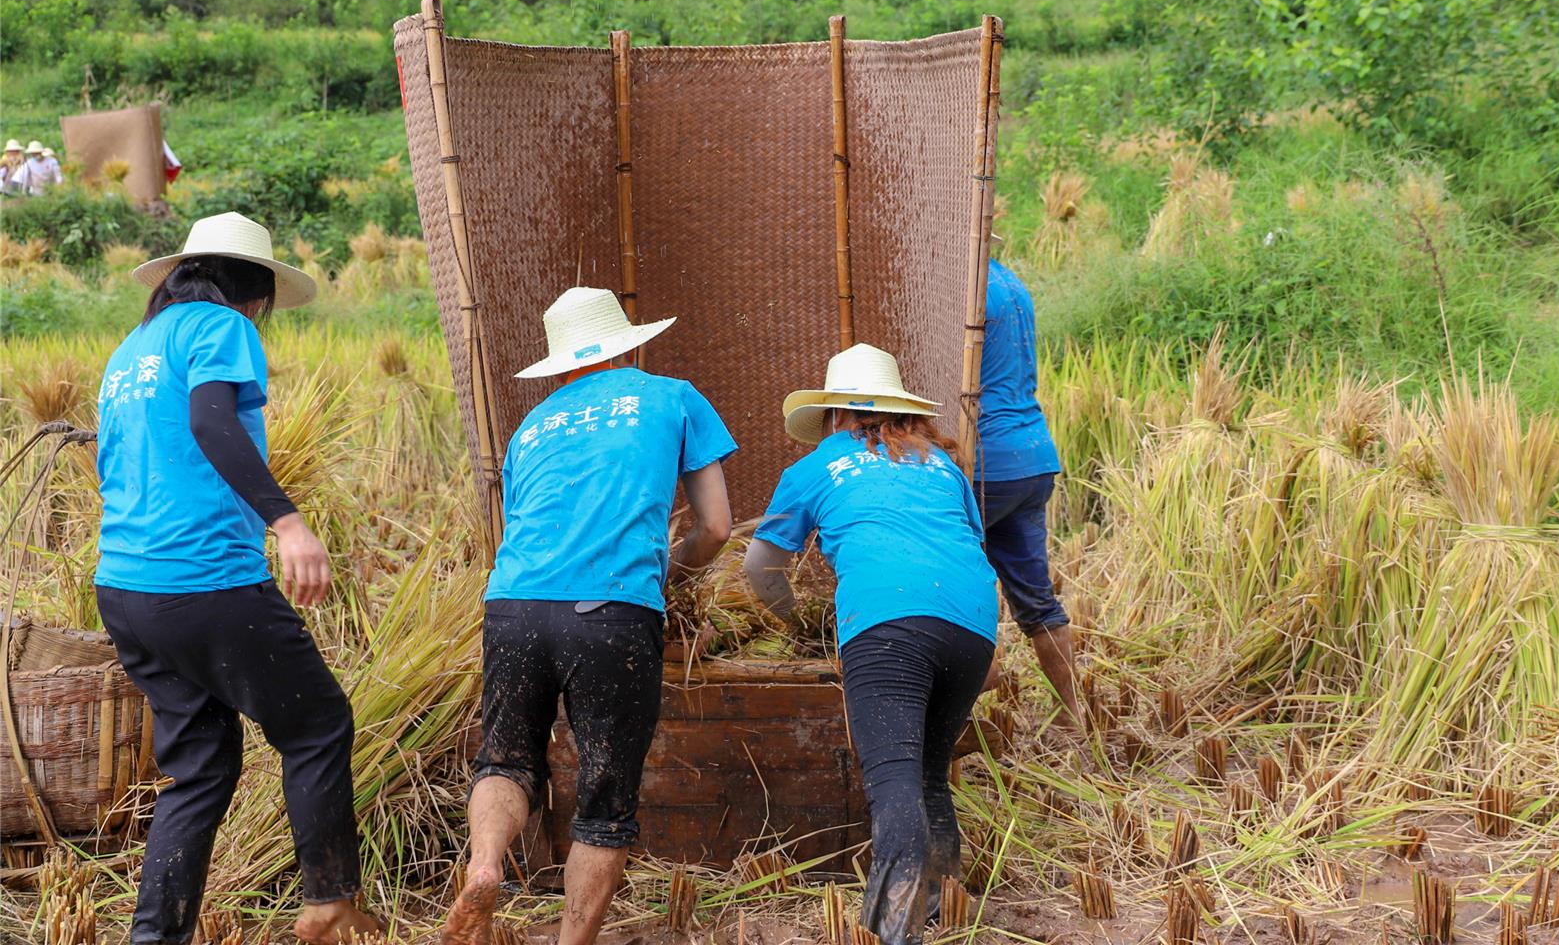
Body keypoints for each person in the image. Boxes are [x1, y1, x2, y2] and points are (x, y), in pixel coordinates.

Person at [94, 212, 379, 945]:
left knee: (200, 769)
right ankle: (329, 902)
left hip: (126, 588)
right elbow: (211, 421)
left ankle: (156, 937)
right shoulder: (222, 326)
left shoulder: (132, 349)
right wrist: (288, 523)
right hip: (205, 580)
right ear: (255, 293)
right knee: (317, 724)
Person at [441, 287, 736, 945]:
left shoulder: (531, 426)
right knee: (605, 800)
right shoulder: (672, 396)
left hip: (513, 605)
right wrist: (672, 580)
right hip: (611, 611)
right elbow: (716, 527)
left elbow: (522, 527)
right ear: (627, 342)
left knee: (506, 761)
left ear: (560, 362)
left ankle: (485, 864)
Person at [744, 344, 998, 945]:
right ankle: (942, 909)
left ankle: (893, 931)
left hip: (887, 623)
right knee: (930, 774)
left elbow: (760, 569)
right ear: (902, 411)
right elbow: (969, 547)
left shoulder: (816, 467)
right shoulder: (942, 465)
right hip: (973, 624)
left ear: (834, 413)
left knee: (894, 781)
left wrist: (798, 623)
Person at [977, 252, 1080, 729]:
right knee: (1038, 602)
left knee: (950, 580)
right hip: (1033, 454)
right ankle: (1072, 715)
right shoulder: (1009, 279)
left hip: (988, 461)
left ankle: (981, 679)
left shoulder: (968, 283)